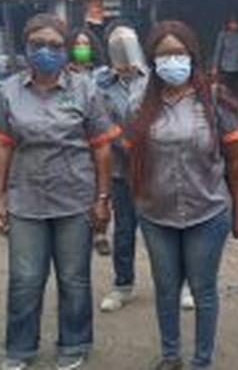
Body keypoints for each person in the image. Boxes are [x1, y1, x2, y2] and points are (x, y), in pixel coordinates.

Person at [0, 13, 116, 370]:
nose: (46, 52)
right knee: (25, 278)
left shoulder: (85, 89)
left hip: (75, 198)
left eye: (55, 46)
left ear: (66, 49)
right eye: (38, 45)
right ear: (26, 48)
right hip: (25, 199)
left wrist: (103, 199)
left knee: (74, 278)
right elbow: (3, 147)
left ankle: (74, 342)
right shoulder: (10, 89)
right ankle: (20, 348)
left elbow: (102, 147)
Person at [127, 20, 238, 370]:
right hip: (155, 214)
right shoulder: (139, 102)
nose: (172, 61)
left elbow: (236, 162)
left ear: (192, 56)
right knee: (165, 290)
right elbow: (129, 155)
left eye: (179, 53)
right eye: (164, 55)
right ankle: (170, 355)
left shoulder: (214, 101)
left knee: (203, 290)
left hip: (207, 213)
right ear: (152, 60)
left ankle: (201, 360)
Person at [95, 25, 148, 313]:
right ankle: (122, 285)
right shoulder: (101, 83)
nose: (125, 54)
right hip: (119, 168)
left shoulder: (153, 80)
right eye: (117, 48)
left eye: (128, 46)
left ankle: (179, 283)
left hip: (152, 168)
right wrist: (120, 140)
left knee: (161, 230)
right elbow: (98, 119)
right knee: (124, 229)